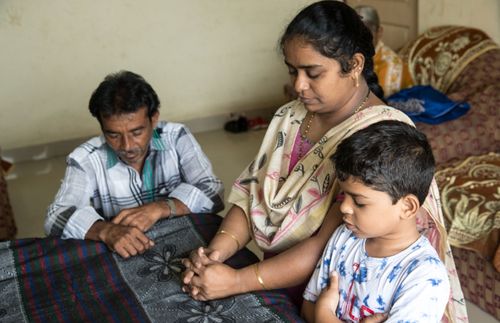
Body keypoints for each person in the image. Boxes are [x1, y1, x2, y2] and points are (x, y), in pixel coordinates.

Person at [182, 2, 466, 322]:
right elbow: (252, 196)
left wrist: (235, 280)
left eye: (313, 72)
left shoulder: (380, 137)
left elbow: (325, 246)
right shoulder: (288, 117)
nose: (299, 85)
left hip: (338, 299)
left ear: (355, 64)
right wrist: (216, 254)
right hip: (284, 284)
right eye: (292, 70)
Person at [45, 71, 224, 258]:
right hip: (125, 251)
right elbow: (55, 218)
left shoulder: (176, 137)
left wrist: (162, 207)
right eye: (113, 135)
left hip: (182, 239)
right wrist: (106, 231)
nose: (127, 146)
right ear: (101, 127)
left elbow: (214, 191)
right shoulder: (85, 159)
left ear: (154, 119)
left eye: (136, 132)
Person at [302, 120, 450, 323]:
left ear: (407, 207)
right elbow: (308, 306)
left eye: (359, 202)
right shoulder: (344, 237)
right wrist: (319, 312)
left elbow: (318, 310)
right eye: (344, 194)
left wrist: (324, 314)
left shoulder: (423, 276)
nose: (344, 207)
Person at [355, 5, 413, 97]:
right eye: (355, 31)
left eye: (366, 31)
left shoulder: (392, 66)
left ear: (379, 32)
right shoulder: (349, 54)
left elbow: (381, 105)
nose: (360, 37)